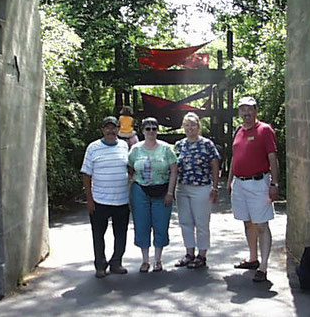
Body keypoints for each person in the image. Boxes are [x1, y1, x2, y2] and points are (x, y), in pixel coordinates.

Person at [227, 96, 280, 282]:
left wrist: (275, 184)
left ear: (256, 110)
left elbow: (272, 158)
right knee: (247, 222)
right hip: (240, 184)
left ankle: (263, 267)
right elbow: (235, 156)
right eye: (242, 109)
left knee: (262, 225)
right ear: (239, 112)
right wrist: (230, 180)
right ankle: (253, 258)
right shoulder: (239, 131)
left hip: (259, 183)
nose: (246, 113)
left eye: (249, 109)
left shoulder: (264, 130)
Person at [81, 116, 130, 278]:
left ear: (118, 129)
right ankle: (100, 266)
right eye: (107, 128)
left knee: (121, 234)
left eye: (114, 127)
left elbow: (130, 170)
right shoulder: (93, 148)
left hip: (122, 200)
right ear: (102, 130)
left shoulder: (124, 146)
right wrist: (89, 200)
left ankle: (116, 263)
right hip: (99, 200)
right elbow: (86, 174)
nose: (111, 131)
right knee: (98, 234)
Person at [128, 117, 177, 272]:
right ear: (142, 131)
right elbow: (130, 169)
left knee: (161, 224)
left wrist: (170, 192)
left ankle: (158, 259)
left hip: (162, 190)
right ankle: (145, 260)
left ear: (157, 130)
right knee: (141, 224)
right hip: (140, 189)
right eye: (147, 128)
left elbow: (174, 170)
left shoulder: (166, 149)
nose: (151, 131)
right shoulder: (135, 149)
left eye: (154, 128)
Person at [174, 112, 220, 269]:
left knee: (201, 223)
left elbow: (215, 165)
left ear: (198, 126)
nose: (190, 128)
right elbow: (174, 168)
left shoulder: (207, 144)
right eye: (187, 125)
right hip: (183, 187)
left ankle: (202, 255)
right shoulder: (180, 145)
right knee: (185, 222)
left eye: (193, 125)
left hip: (201, 187)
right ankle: (189, 253)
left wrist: (215, 186)